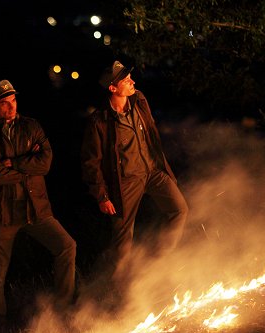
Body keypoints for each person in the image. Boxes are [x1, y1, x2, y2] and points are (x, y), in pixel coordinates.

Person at [0, 79, 77, 323]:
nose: (10, 106)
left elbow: (46, 163)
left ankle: (63, 309)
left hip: (34, 207)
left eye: (13, 100)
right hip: (2, 212)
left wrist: (15, 164)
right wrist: (29, 167)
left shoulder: (31, 126)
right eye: (4, 102)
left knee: (67, 246)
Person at [80, 60, 189, 288]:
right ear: (112, 88)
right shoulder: (99, 122)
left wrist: (162, 167)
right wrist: (102, 195)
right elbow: (91, 162)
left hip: (152, 171)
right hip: (126, 181)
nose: (133, 82)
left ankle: (156, 263)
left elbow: (151, 133)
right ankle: (117, 290)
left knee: (179, 209)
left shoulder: (138, 101)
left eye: (131, 78)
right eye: (126, 80)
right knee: (122, 240)